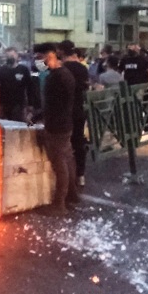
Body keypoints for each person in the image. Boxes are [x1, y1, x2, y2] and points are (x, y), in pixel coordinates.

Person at [33, 43, 79, 215]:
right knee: (67, 160)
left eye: (39, 58)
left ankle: (59, 204)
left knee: (60, 164)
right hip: (65, 124)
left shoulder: (55, 78)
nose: (38, 62)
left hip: (56, 127)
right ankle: (72, 196)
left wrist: (32, 121)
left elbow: (50, 107)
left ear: (49, 56)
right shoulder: (66, 73)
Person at [57, 41, 90, 188]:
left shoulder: (62, 69)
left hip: (64, 111)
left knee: (63, 145)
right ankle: (80, 175)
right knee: (79, 142)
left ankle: (66, 178)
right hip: (79, 110)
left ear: (62, 52)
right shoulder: (83, 69)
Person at [0, 47, 37, 122]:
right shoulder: (1, 70)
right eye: (8, 56)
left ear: (17, 56)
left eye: (12, 55)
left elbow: (29, 87)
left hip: (19, 105)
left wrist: (30, 104)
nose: (10, 57)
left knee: (18, 126)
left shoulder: (23, 69)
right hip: (4, 104)